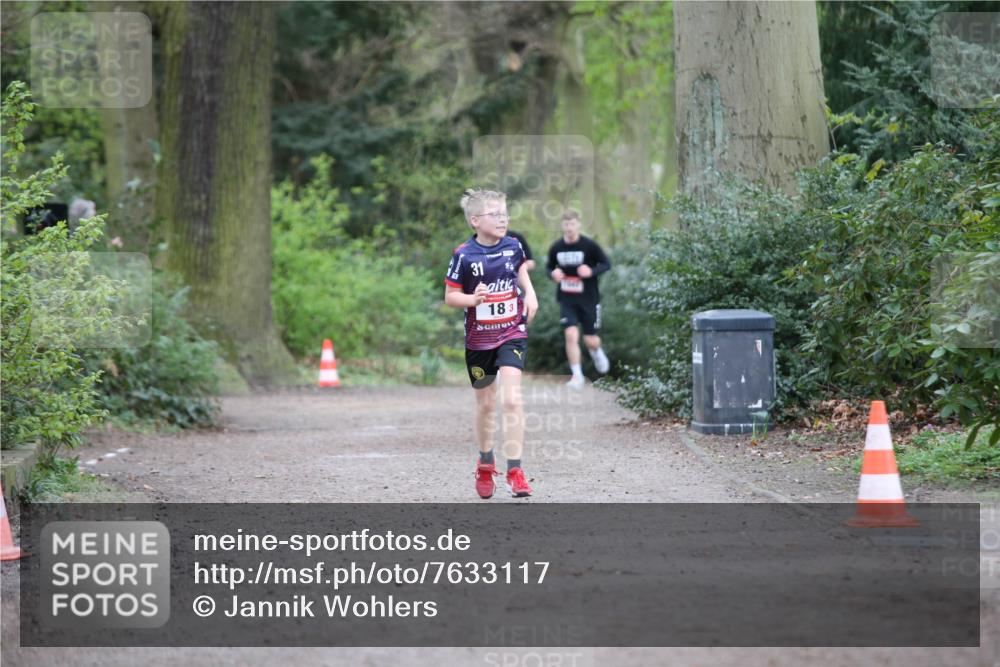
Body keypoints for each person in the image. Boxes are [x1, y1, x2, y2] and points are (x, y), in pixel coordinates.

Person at [445, 189, 539, 498]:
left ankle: (516, 471)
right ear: (475, 221)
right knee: (486, 405)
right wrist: (473, 299)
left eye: (505, 214)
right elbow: (450, 296)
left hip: (512, 333)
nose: (503, 219)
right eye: (495, 214)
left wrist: (531, 293)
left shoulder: (513, 246)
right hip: (478, 341)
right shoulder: (463, 255)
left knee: (511, 400)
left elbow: (521, 269)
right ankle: (486, 463)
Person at [546, 210, 611, 388]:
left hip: (589, 299)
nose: (569, 228)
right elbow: (549, 267)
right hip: (567, 299)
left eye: (572, 224)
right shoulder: (557, 247)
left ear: (578, 225)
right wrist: (553, 274)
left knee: (590, 339)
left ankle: (596, 351)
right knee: (570, 334)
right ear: (562, 226)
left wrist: (591, 271)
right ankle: (577, 376)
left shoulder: (589, 246)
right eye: (566, 224)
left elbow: (606, 264)